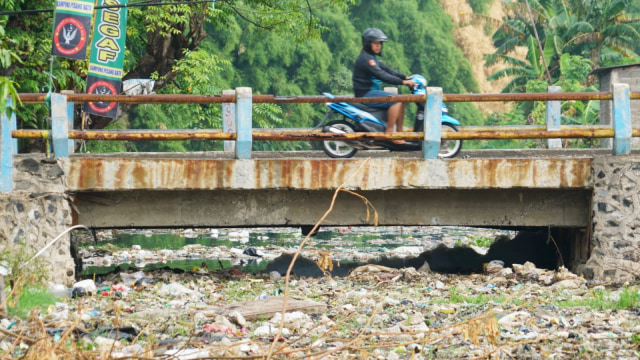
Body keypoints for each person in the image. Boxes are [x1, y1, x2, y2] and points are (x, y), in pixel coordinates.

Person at [353, 28, 417, 144]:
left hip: (370, 91)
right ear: (367, 43)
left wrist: (405, 77)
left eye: (380, 44)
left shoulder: (372, 58)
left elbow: (387, 70)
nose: (378, 46)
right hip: (365, 93)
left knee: (402, 100)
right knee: (396, 100)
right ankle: (390, 132)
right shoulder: (366, 60)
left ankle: (400, 132)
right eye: (375, 43)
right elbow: (382, 75)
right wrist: (402, 82)